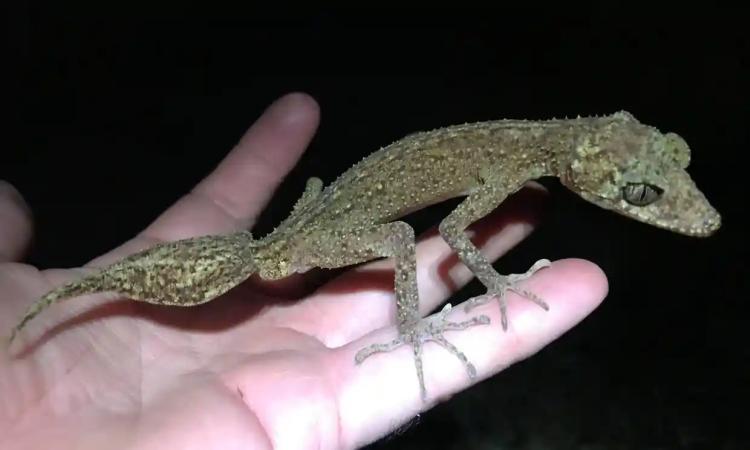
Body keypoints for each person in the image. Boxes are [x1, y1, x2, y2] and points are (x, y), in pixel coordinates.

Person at [0, 92, 606, 449]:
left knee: (343, 212)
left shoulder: (517, 147)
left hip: (314, 222)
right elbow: (441, 233)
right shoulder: (513, 158)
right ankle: (409, 330)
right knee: (398, 235)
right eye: (635, 192)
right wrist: (491, 286)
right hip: (308, 238)